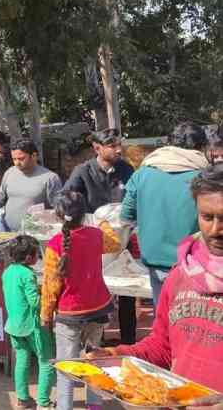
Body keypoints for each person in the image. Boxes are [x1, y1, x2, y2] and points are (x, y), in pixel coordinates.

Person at [88, 164, 223, 397]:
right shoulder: (183, 273)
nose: (215, 230)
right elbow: (162, 346)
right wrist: (117, 355)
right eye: (207, 217)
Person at [40, 191, 120, 410]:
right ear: (84, 213)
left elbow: (50, 286)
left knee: (67, 367)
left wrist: (45, 315)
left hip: (69, 314)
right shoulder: (96, 235)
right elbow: (114, 243)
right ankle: (94, 405)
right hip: (99, 309)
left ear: (58, 215)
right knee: (93, 361)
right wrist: (102, 220)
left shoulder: (55, 244)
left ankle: (64, 406)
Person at [121, 122, 209, 306]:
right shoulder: (204, 178)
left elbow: (126, 216)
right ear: (201, 148)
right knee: (190, 320)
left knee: (162, 319)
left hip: (154, 261)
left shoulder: (142, 173)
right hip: (193, 263)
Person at [62, 127, 136, 344]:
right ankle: (98, 341)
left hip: (122, 242)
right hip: (94, 243)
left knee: (127, 293)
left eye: (119, 144)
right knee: (97, 288)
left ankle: (129, 341)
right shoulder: (82, 171)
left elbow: (136, 197)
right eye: (113, 146)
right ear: (97, 148)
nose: (119, 150)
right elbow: (65, 198)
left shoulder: (126, 170)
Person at [3, 235, 55, 410]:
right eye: (36, 255)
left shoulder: (8, 272)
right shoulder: (27, 274)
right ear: (28, 258)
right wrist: (48, 298)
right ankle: (43, 402)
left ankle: (23, 399)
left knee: (22, 361)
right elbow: (34, 301)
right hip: (33, 326)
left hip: (14, 325)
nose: (37, 258)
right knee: (47, 361)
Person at [0, 138, 62, 231]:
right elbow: (2, 196)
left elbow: (59, 208)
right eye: (14, 159)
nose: (17, 163)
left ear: (34, 156)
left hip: (37, 235)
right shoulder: (10, 172)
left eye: (21, 158)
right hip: (8, 232)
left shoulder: (50, 178)